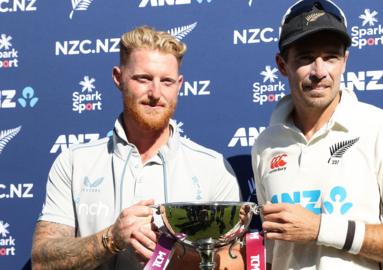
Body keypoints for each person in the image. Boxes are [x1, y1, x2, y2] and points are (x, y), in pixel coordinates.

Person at [251, 0, 383, 269]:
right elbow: (274, 254)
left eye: (330, 57)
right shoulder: (266, 145)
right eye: (306, 58)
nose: (320, 72)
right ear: (282, 65)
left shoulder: (382, 128)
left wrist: (321, 229)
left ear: (345, 61)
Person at [32, 26, 242, 270]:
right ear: (118, 78)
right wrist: (111, 239)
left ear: (179, 85)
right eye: (143, 79)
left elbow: (234, 261)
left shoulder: (212, 167)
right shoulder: (74, 162)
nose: (155, 93)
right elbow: (41, 261)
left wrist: (174, 256)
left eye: (166, 81)